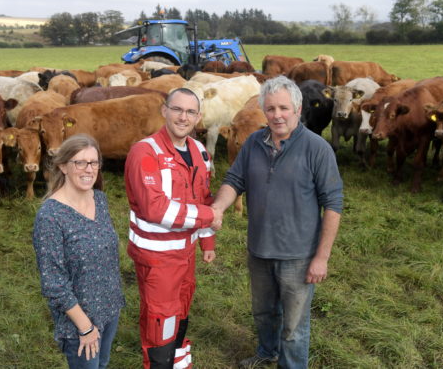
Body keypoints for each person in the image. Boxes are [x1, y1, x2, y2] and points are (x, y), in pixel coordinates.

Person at [212, 76, 343, 369]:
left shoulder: (317, 148)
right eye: (270, 109)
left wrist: (321, 257)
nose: (277, 115)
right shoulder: (254, 143)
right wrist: (218, 207)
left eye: (284, 107)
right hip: (259, 249)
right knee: (263, 312)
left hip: (298, 255)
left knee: (294, 327)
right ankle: (267, 351)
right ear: (263, 111)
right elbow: (235, 180)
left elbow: (333, 204)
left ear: (297, 109)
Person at [124, 88, 222, 369]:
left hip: (186, 253)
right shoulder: (145, 152)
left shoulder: (199, 150)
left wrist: (207, 242)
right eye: (177, 109)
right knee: (161, 319)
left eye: (191, 112)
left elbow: (202, 195)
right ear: (164, 110)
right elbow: (154, 208)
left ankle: (178, 364)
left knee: (180, 311)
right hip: (157, 257)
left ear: (199, 117)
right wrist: (209, 216)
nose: (183, 117)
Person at [32, 134, 125, 369]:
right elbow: (54, 283)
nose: (88, 169)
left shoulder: (100, 199)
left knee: (102, 364)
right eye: (79, 162)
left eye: (93, 162)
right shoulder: (50, 216)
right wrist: (86, 327)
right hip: (79, 320)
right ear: (63, 166)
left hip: (109, 306)